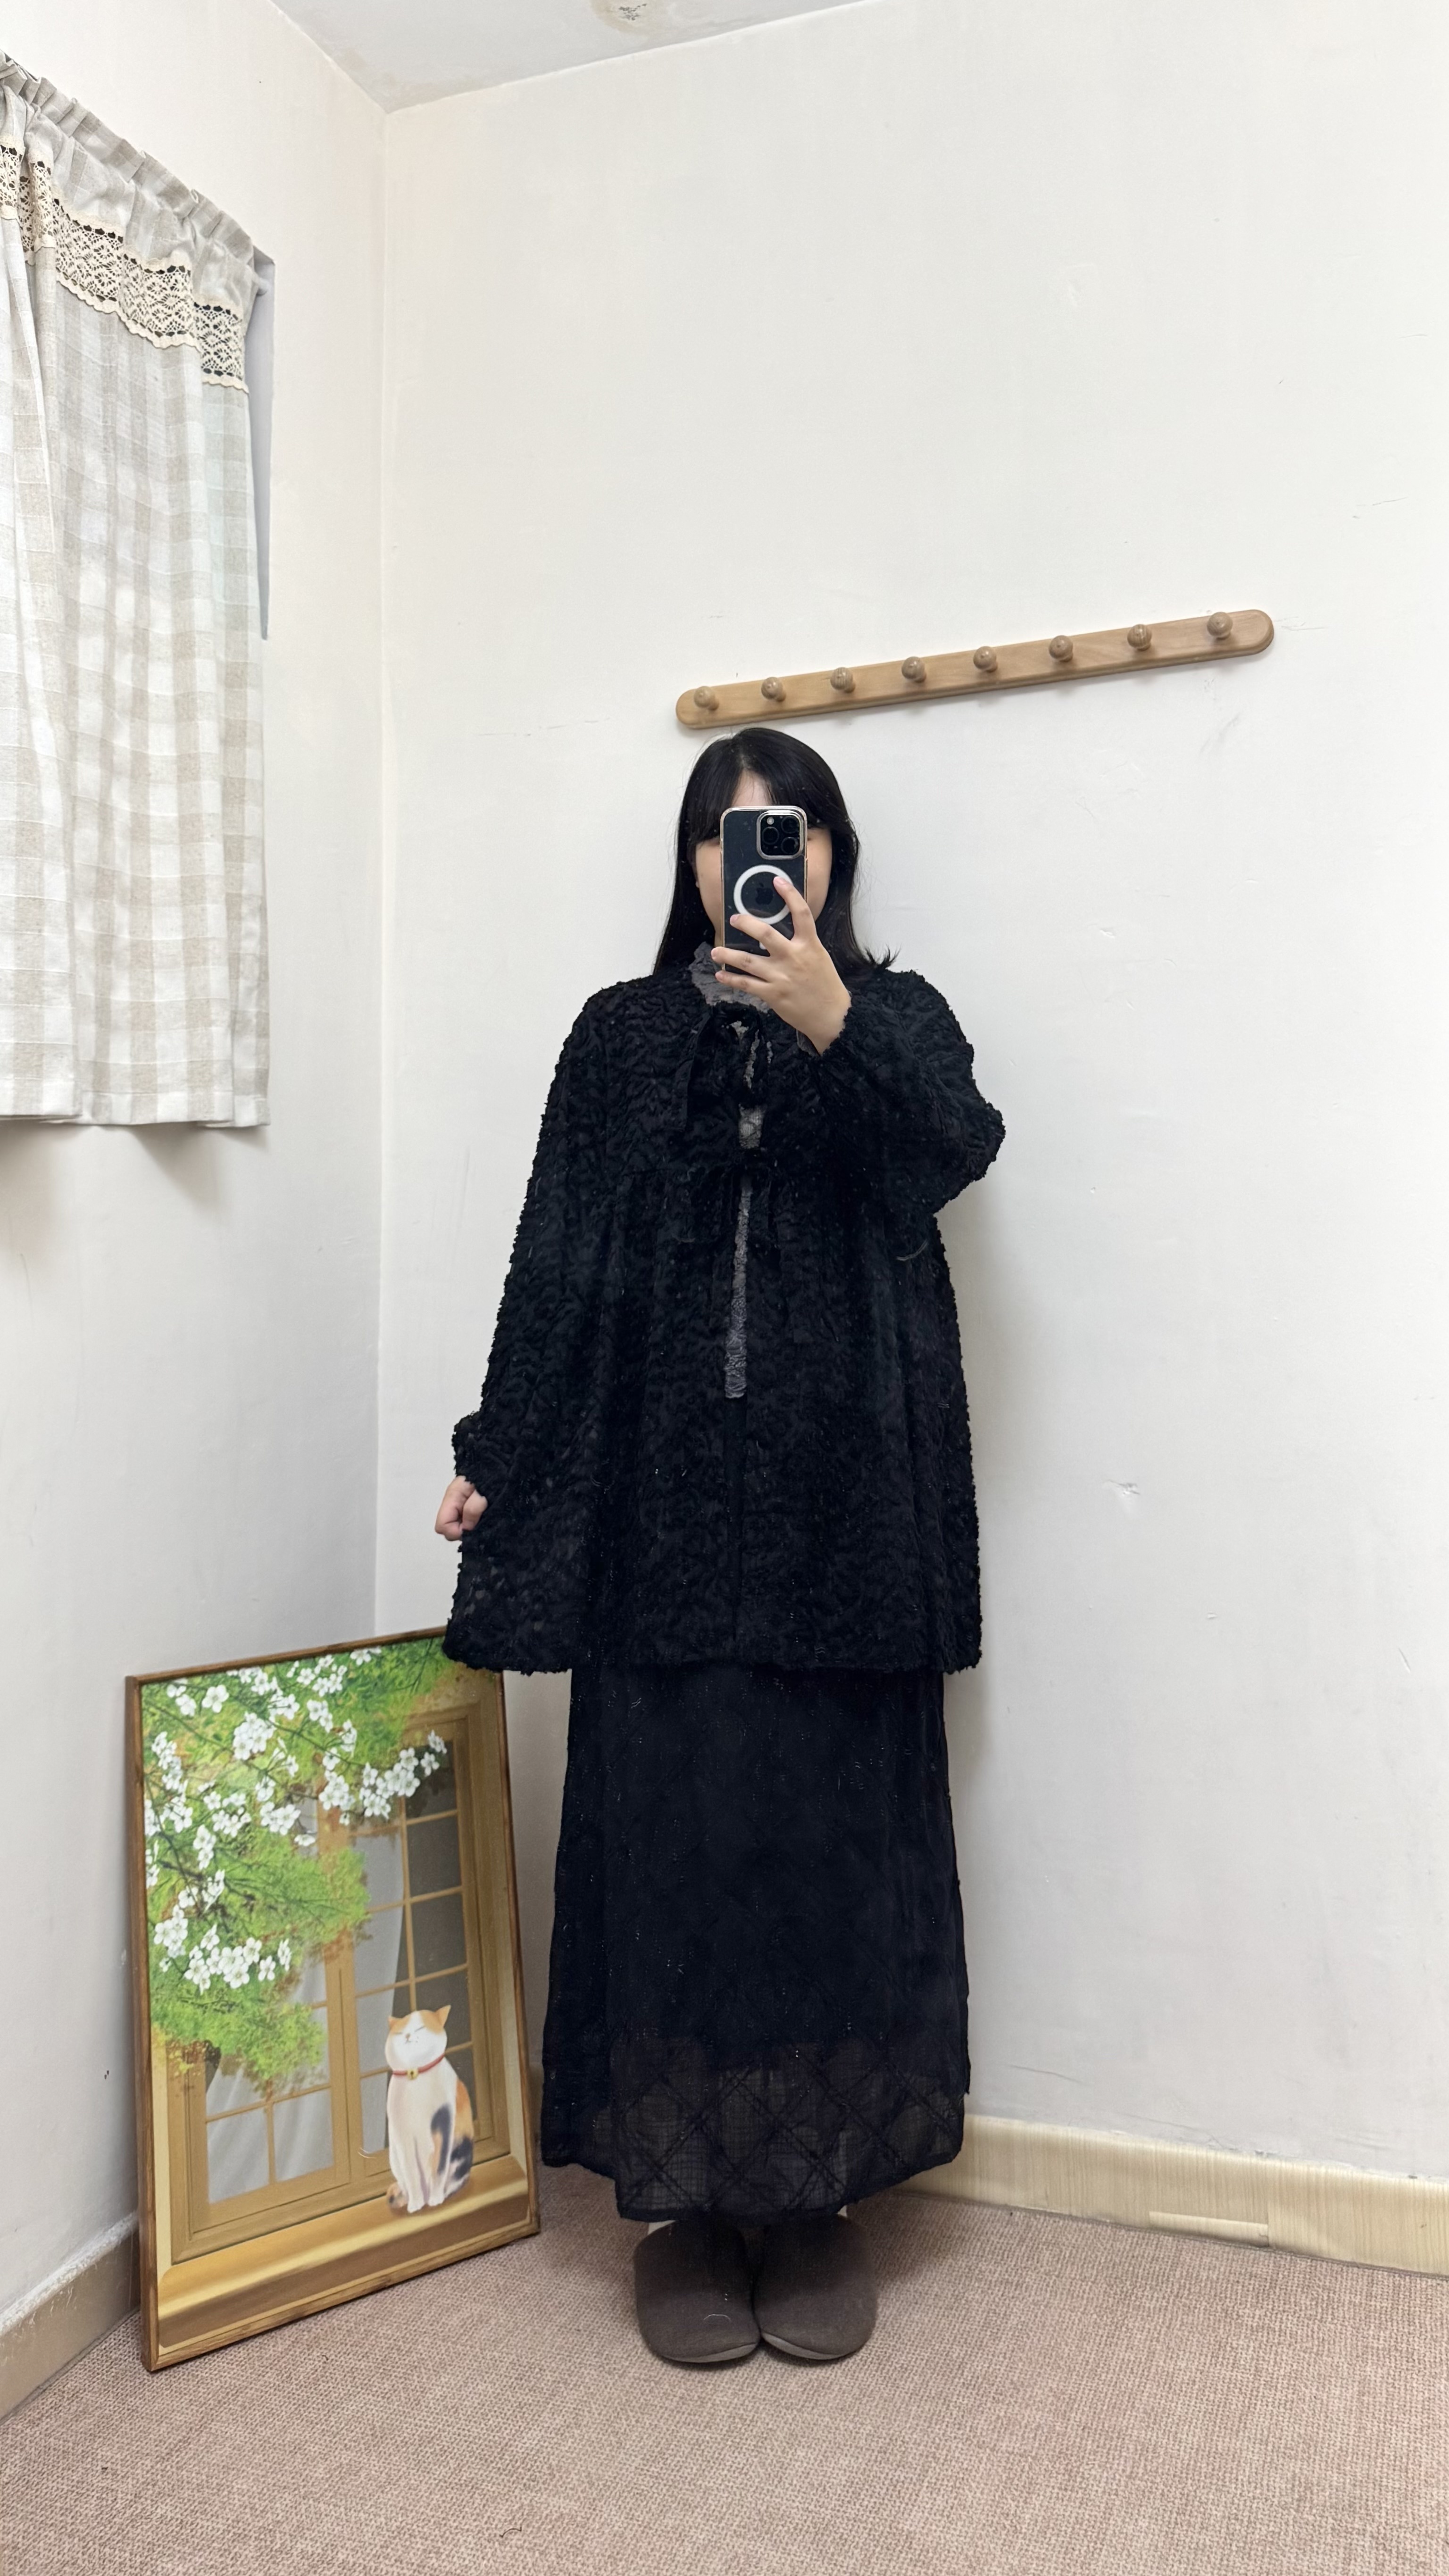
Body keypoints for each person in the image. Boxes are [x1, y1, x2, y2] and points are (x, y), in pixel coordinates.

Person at [436, 728, 1004, 2367]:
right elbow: (554, 1258)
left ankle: (816, 2199)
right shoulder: (618, 1038)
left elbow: (956, 1147)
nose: (756, 859)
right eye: (724, 834)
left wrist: (831, 1019)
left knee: (829, 1852)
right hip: (658, 1518)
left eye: (790, 831)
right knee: (672, 1842)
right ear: (690, 866)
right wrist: (497, 1452)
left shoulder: (897, 1016)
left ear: (832, 859)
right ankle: (688, 2204)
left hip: (849, 1520)